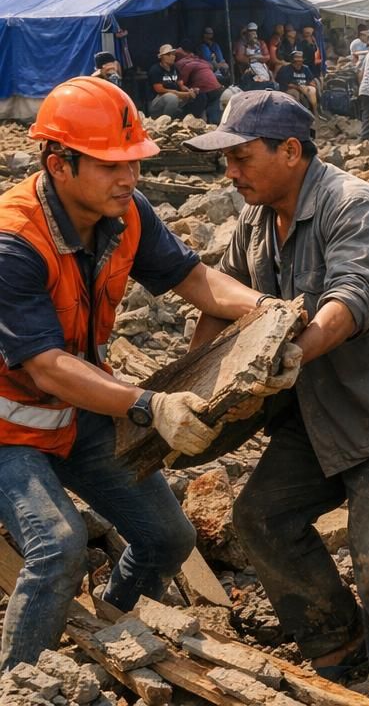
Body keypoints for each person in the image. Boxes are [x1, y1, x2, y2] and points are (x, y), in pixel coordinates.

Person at [0, 78, 287, 670]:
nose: (129, 177)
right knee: (59, 546)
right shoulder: (14, 241)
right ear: (59, 164)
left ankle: (118, 633)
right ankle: (22, 684)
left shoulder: (126, 212)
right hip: (9, 428)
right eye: (111, 165)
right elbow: (46, 366)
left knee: (168, 539)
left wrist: (267, 312)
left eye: (133, 161)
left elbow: (193, 279)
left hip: (79, 410)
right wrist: (149, 405)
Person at [187, 91, 369, 679]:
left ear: (291, 150)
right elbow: (219, 291)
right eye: (226, 161)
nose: (230, 173)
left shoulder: (351, 204)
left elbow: (351, 300)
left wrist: (291, 354)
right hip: (322, 407)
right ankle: (338, 643)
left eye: (241, 158)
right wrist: (194, 384)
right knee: (262, 518)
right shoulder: (257, 217)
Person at [276, 49, 319, 114]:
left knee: (312, 90)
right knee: (295, 93)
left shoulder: (305, 68)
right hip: (290, 88)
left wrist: (309, 85)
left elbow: (311, 80)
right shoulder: (286, 69)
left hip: (304, 86)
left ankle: (315, 112)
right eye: (297, 58)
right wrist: (298, 87)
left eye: (300, 58)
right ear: (292, 60)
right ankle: (296, 114)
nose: (299, 60)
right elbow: (285, 83)